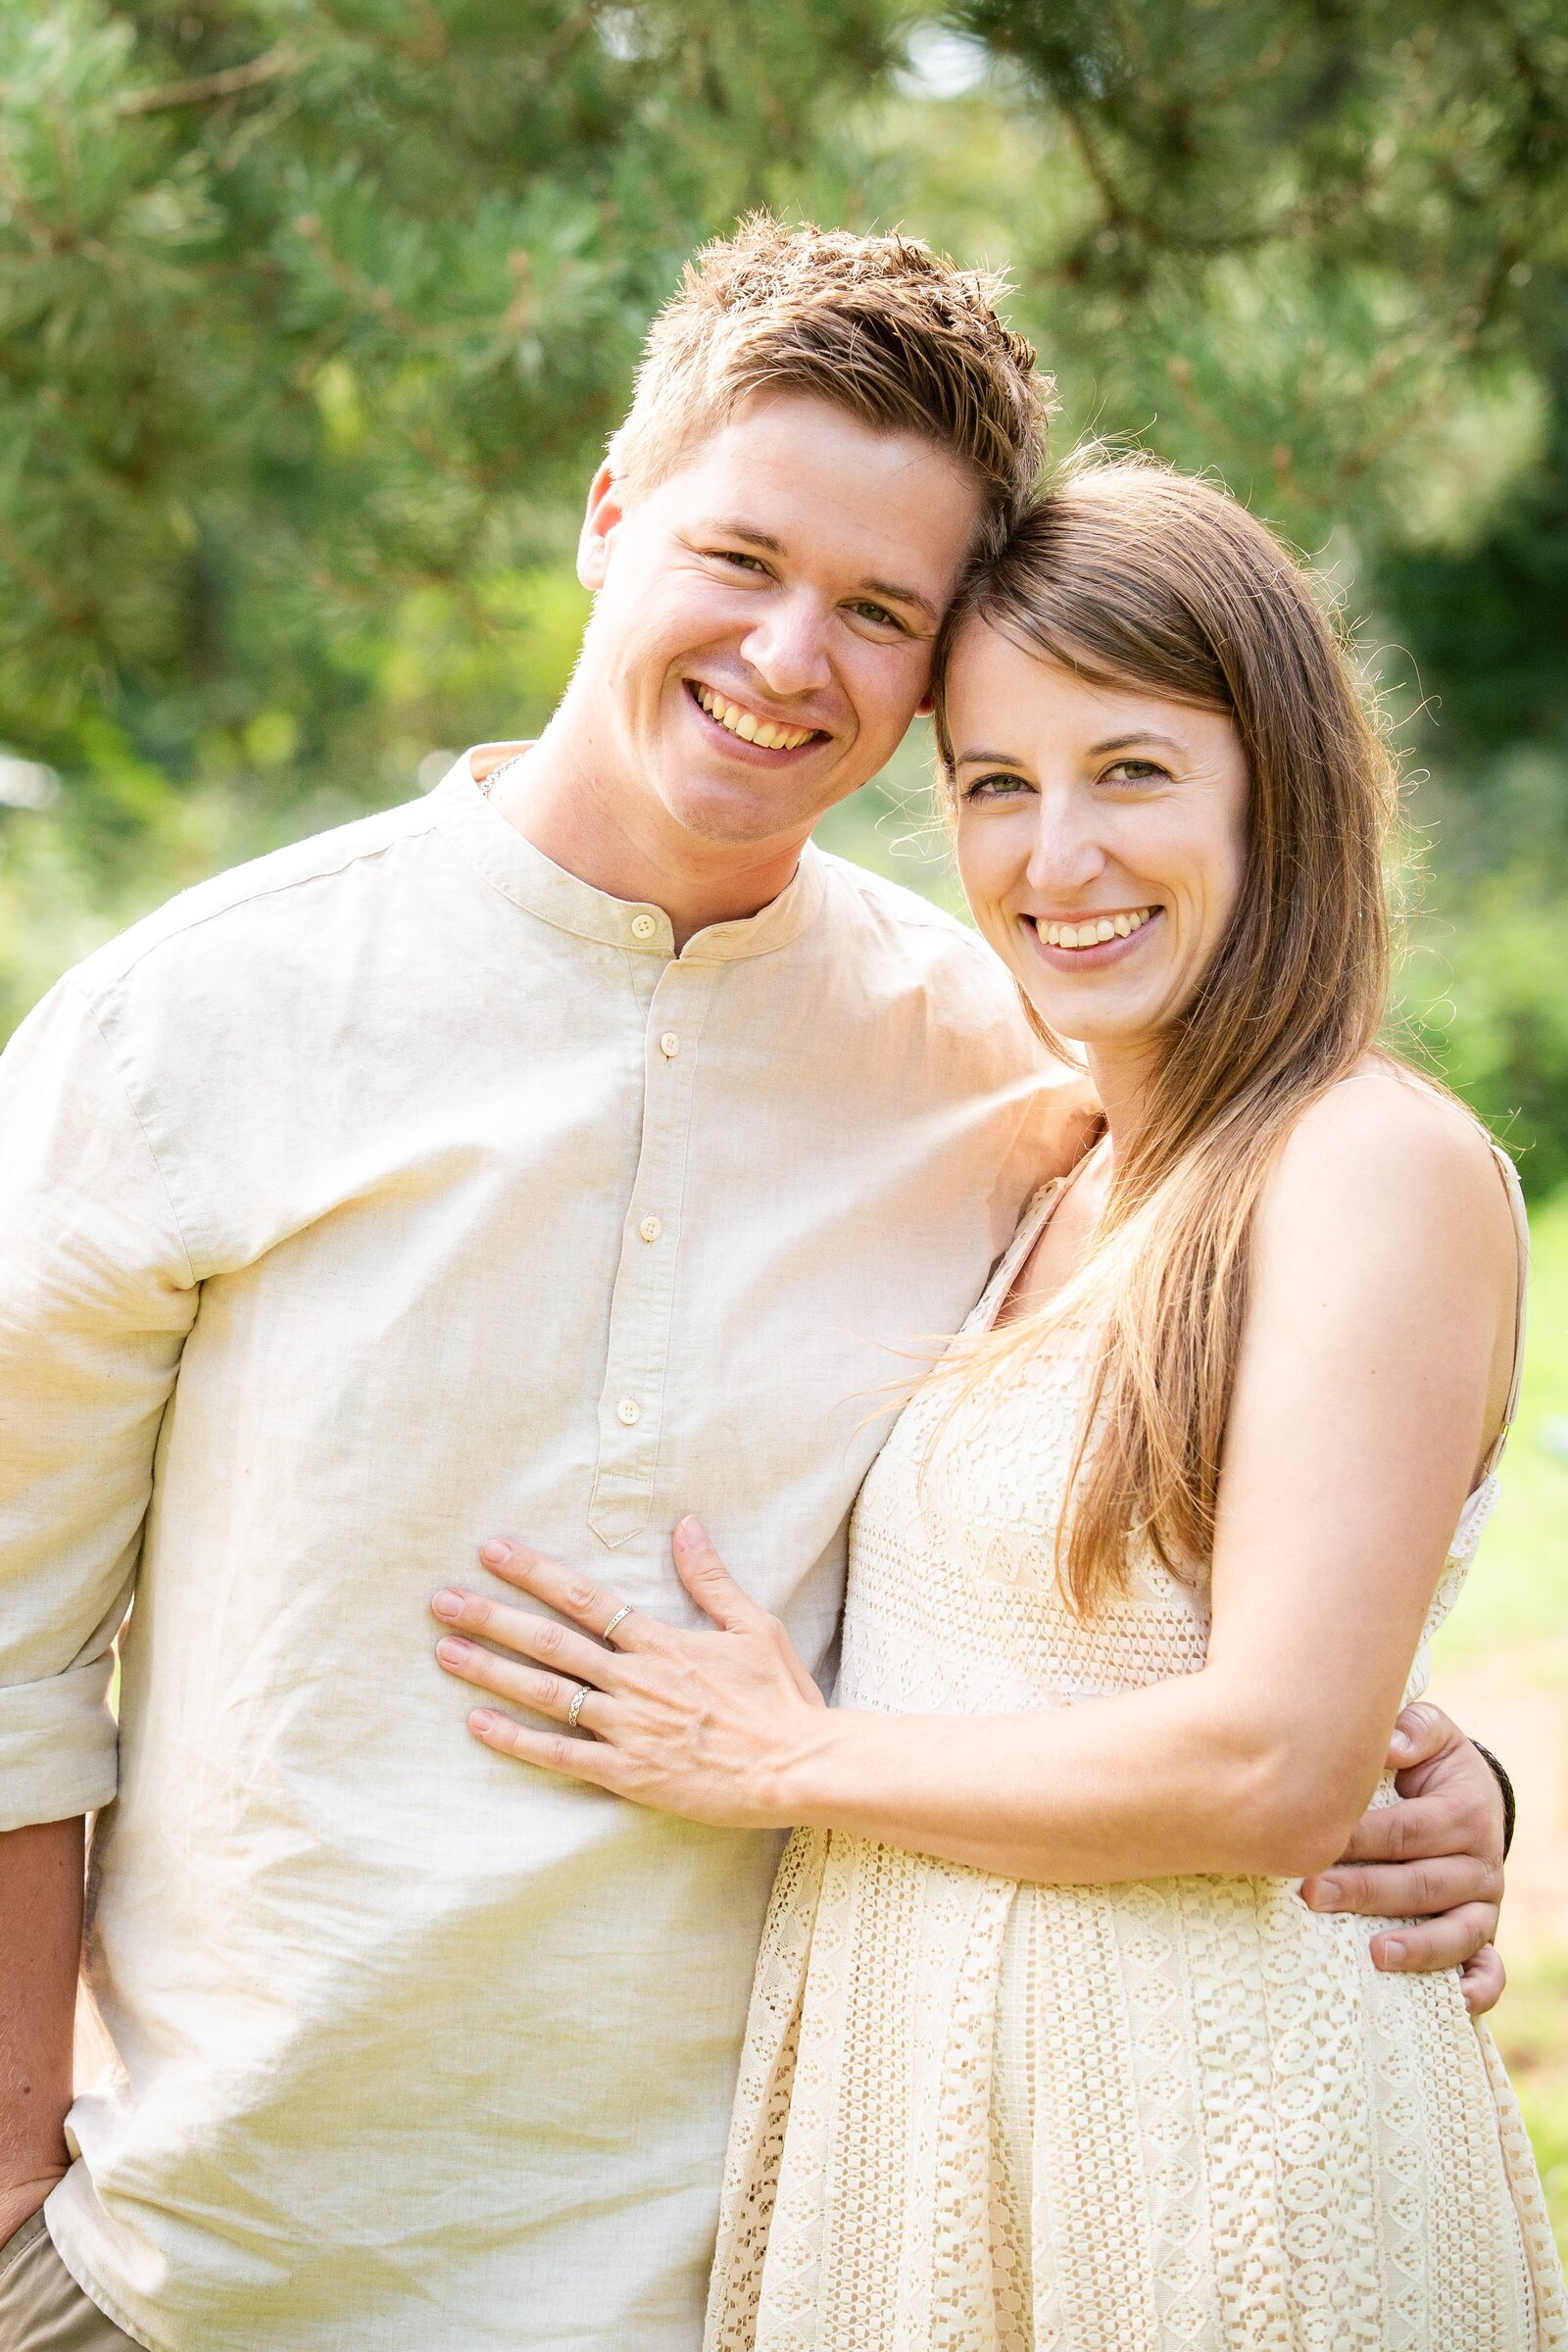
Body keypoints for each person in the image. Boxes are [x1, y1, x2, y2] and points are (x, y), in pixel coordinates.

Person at [0, 226, 1509, 2352]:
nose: (791, 656)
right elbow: (7, 1652)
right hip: (231, 2273)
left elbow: (1182, 1570)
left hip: (766, 2261)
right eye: (740, 558)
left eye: (878, 613)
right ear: (610, 513)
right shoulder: (195, 1027)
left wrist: (1419, 1768)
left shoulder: (985, 1064)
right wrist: (13, 2196)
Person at [427, 457, 1564, 2348]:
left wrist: (780, 1760)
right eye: (994, 786)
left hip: (1214, 2153)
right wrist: (1457, 1774)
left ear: (1276, 784)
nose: (1056, 861)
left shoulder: (1365, 1160)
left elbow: (1278, 1765)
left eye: (1131, 771)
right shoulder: (1063, 1170)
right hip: (953, 2122)